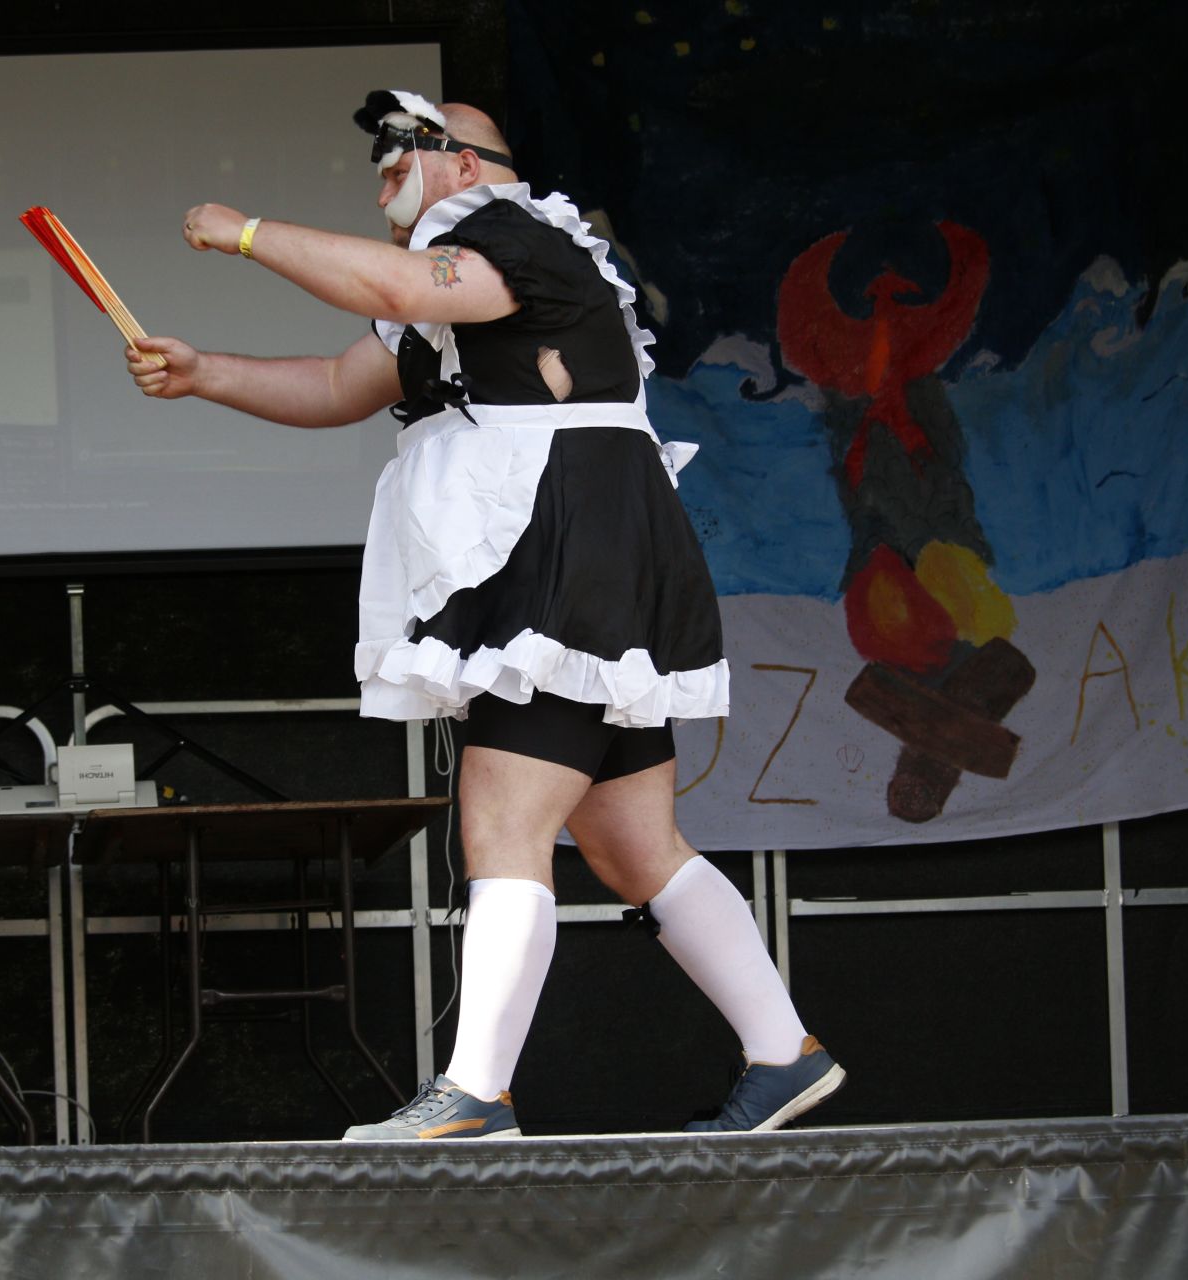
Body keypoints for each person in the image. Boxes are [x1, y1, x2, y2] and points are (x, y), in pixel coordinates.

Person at [126, 90, 844, 1139]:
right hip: (581, 554)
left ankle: (475, 1091)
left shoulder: (512, 232)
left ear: (463, 163)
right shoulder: (457, 279)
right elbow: (335, 382)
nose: (383, 176)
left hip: (568, 555)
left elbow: (402, 282)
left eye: (399, 154)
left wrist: (247, 233)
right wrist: (206, 375)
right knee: (635, 844)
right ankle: (785, 1053)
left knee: (504, 822)